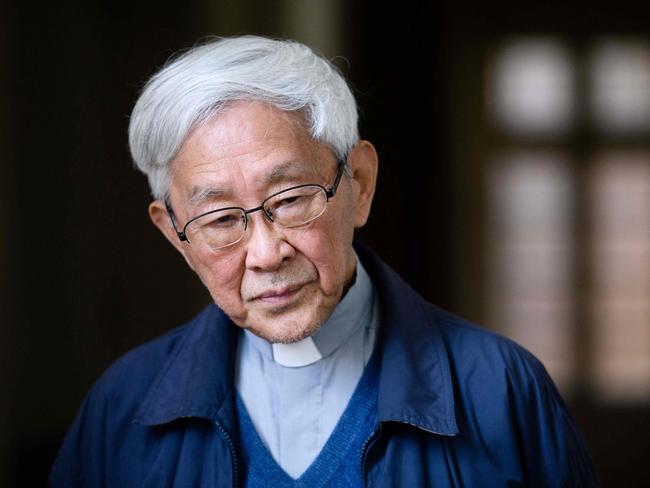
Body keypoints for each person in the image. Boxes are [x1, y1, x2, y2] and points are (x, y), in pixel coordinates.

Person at [50, 35, 598, 487]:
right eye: (220, 221)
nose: (266, 254)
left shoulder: (502, 390)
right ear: (175, 235)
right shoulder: (120, 409)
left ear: (358, 184)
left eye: (290, 201)